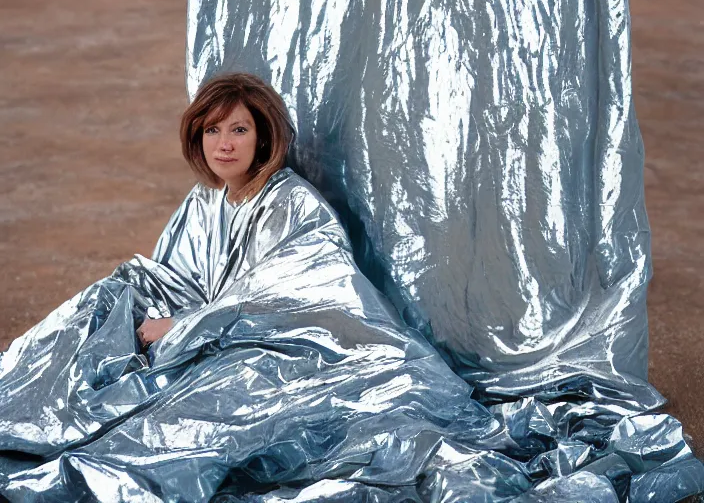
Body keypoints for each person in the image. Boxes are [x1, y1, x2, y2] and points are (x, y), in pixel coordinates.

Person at [0, 73, 700, 503]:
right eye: (213, 130)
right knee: (113, 293)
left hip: (308, 349)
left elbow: (296, 298)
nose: (225, 143)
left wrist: (186, 330)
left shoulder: (294, 202)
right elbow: (178, 275)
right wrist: (157, 314)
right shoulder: (204, 202)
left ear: (263, 134)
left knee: (219, 409)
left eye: (239, 129)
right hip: (220, 332)